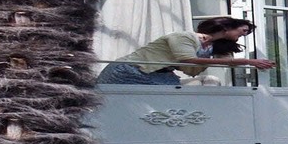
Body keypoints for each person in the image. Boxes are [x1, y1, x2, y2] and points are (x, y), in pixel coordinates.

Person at [96, 17, 276, 85]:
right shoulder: (184, 37)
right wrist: (244, 61)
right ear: (226, 27)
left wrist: (255, 64)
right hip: (129, 70)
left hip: (155, 74)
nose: (244, 35)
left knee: (179, 93)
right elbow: (187, 60)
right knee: (174, 95)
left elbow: (191, 71)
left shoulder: (212, 47)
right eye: (243, 30)